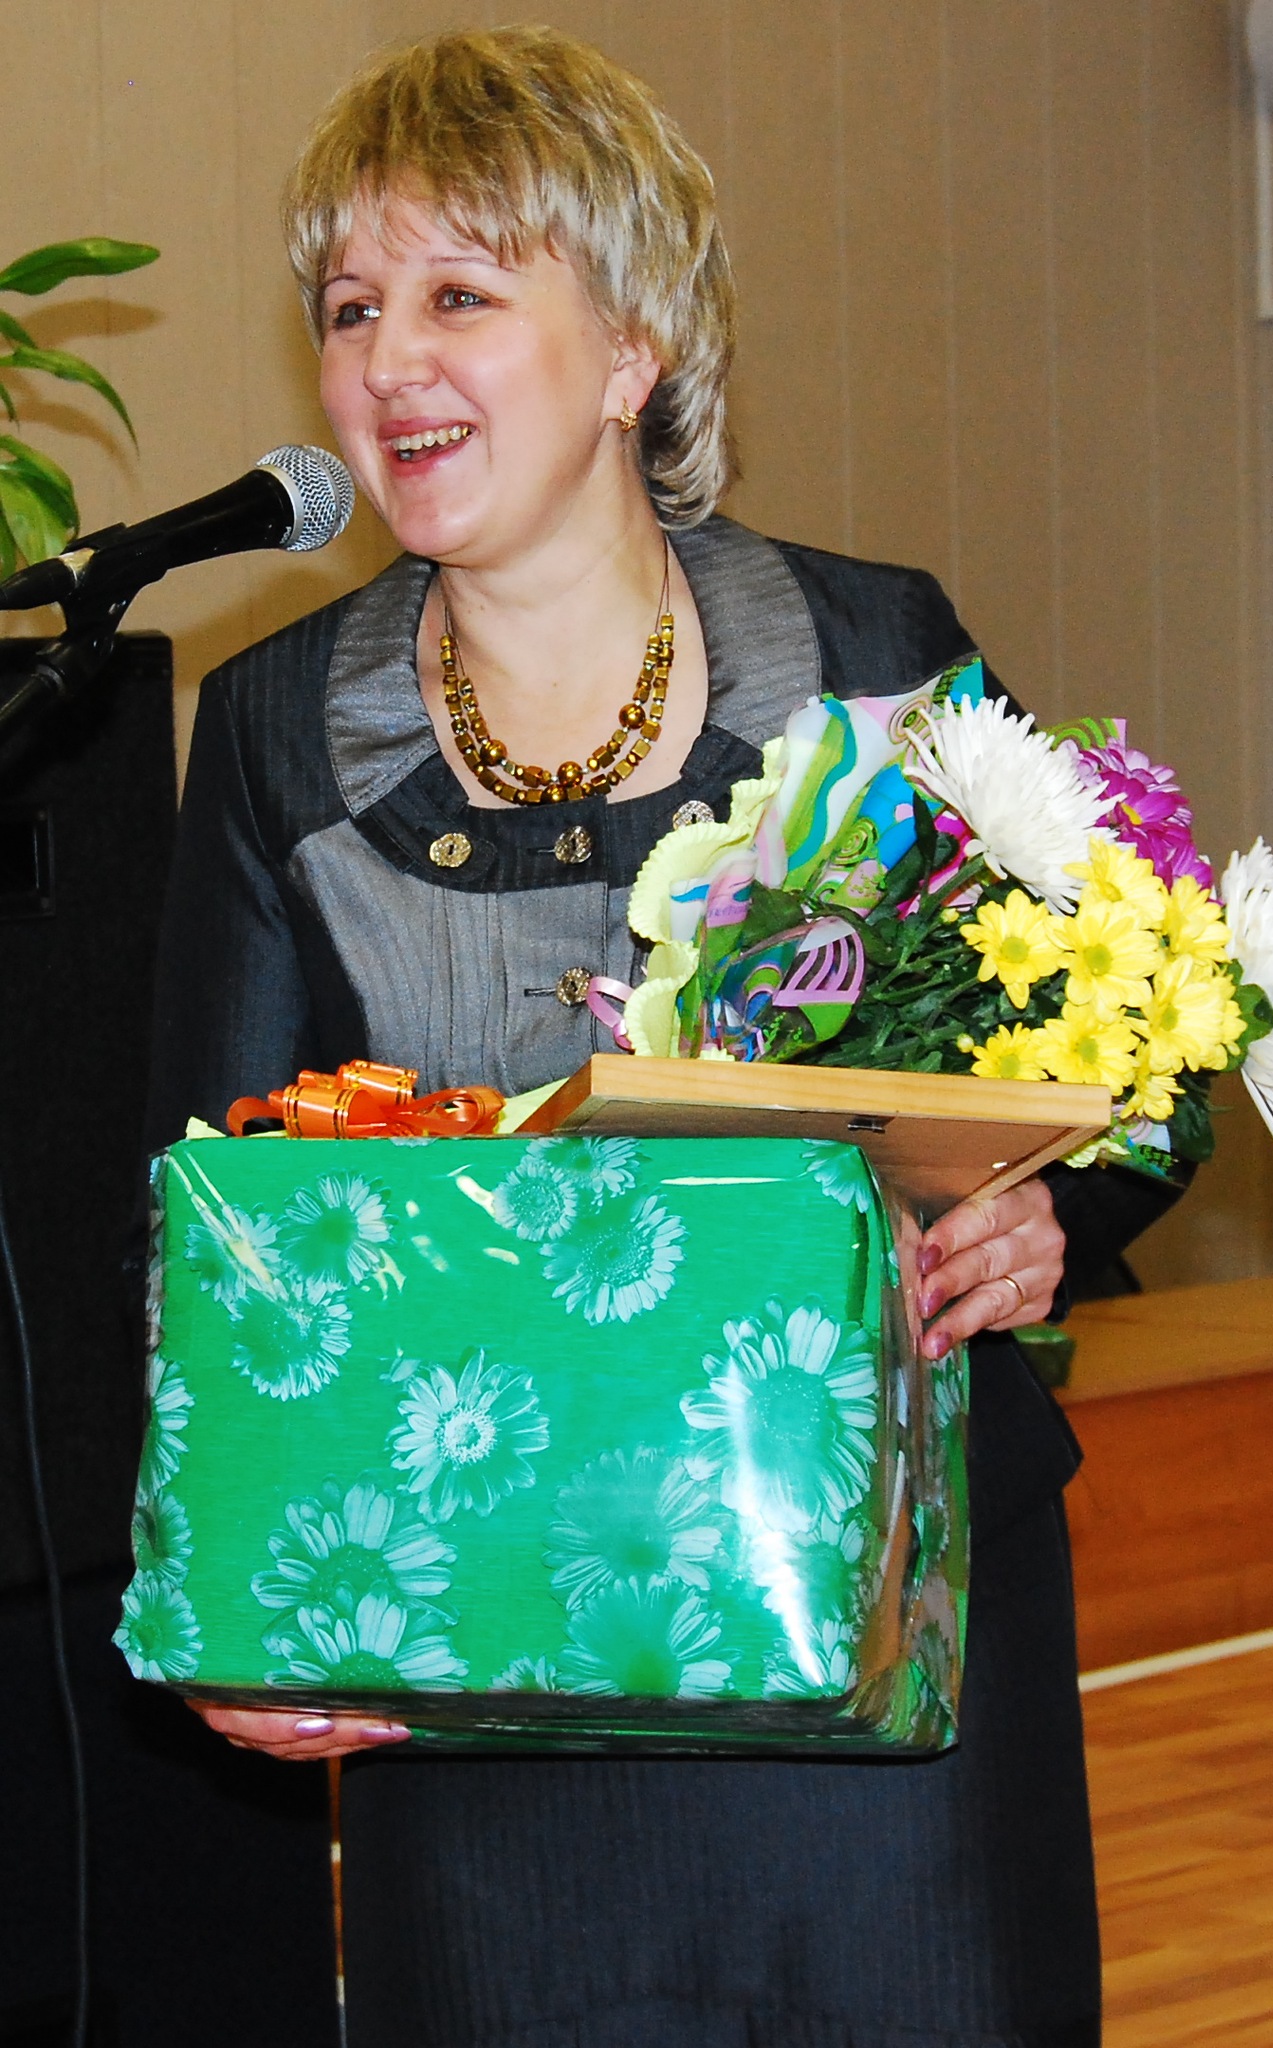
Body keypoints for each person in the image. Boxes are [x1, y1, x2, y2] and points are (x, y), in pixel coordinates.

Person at [145, 28, 1184, 2047]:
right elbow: (199, 1231)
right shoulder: (275, 732)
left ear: (633, 347)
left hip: (881, 1675)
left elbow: (1138, 1031)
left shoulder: (874, 656)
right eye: (351, 309)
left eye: (461, 294)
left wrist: (1053, 1218)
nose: (388, 360)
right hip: (484, 1671)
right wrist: (235, 1596)